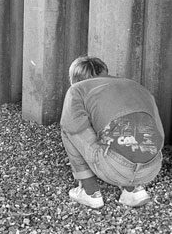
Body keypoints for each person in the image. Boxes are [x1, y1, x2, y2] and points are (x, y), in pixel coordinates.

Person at [60, 56, 164, 209]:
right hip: (152, 167)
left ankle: (89, 192)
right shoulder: (135, 85)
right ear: (105, 71)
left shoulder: (77, 89)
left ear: (75, 78)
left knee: (68, 124)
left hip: (115, 167)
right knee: (127, 128)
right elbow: (159, 133)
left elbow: (73, 126)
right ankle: (133, 190)